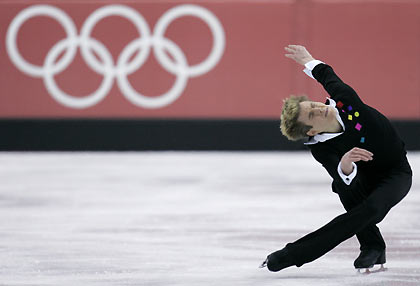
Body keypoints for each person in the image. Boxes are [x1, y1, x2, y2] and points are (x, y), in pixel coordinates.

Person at [260, 45, 413, 273]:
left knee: (371, 208)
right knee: (343, 186)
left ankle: (292, 254)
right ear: (311, 131)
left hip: (395, 171)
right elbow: (340, 176)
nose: (318, 108)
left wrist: (308, 60)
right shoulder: (321, 149)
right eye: (311, 115)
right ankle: (372, 246)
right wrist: (345, 164)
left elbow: (328, 77)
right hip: (365, 178)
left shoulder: (345, 102)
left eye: (312, 105)